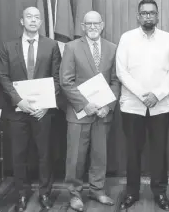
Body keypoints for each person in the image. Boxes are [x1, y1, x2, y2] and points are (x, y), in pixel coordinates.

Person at [116, 0, 169, 211]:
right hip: (132, 106)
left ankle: (160, 192)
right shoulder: (127, 38)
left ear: (157, 15)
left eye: (152, 13)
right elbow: (121, 72)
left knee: (159, 151)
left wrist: (157, 94)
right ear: (138, 16)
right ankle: (132, 192)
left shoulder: (168, 39)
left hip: (160, 106)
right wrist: (143, 94)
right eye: (144, 13)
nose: (148, 16)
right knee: (133, 151)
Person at [0, 6, 61, 211]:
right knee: (19, 155)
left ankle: (45, 194)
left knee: (45, 155)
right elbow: (3, 77)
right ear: (21, 21)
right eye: (28, 17)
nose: (33, 20)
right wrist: (18, 101)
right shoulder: (8, 47)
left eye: (36, 17)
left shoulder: (51, 46)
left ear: (41, 22)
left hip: (43, 112)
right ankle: (21, 195)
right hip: (17, 112)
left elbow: (57, 78)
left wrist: (45, 104)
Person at [60, 11, 120, 212]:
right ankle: (74, 194)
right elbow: (65, 81)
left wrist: (108, 106)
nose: (93, 27)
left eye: (96, 23)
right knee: (75, 157)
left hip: (103, 113)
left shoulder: (112, 48)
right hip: (79, 113)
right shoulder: (71, 47)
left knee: (99, 155)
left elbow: (115, 81)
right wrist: (85, 105)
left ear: (102, 25)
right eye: (89, 24)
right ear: (82, 27)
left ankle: (97, 190)